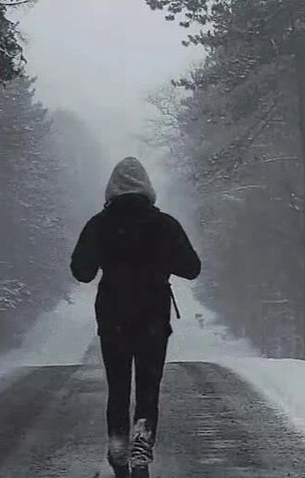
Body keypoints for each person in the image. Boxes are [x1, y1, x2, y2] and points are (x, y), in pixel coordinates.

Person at [71, 157, 201, 478]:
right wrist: (160, 259)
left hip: (113, 317)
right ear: (147, 188)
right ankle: (141, 441)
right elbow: (192, 267)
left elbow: (81, 271)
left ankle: (118, 440)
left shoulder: (99, 224)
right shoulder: (164, 224)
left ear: (112, 188)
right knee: (148, 386)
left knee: (118, 386)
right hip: (152, 319)